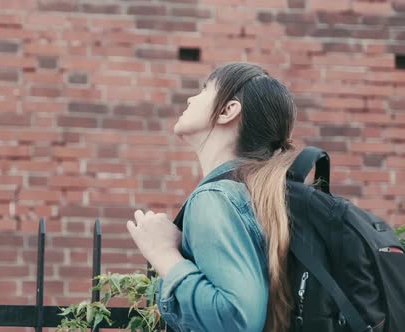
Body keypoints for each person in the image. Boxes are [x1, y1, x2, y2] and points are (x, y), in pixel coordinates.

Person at [126, 62, 299, 332]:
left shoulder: (216, 198)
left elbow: (236, 320)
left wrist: (164, 254)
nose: (191, 98)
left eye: (205, 89)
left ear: (228, 110)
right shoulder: (257, 195)